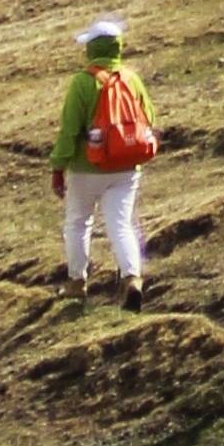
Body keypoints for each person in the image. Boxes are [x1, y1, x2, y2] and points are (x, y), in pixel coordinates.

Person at [54, 16, 158, 304]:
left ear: (91, 49)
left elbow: (70, 129)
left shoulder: (83, 82)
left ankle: (77, 281)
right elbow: (149, 117)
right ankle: (132, 278)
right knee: (121, 224)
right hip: (126, 166)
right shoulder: (131, 79)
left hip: (86, 168)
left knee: (78, 223)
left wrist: (58, 166)